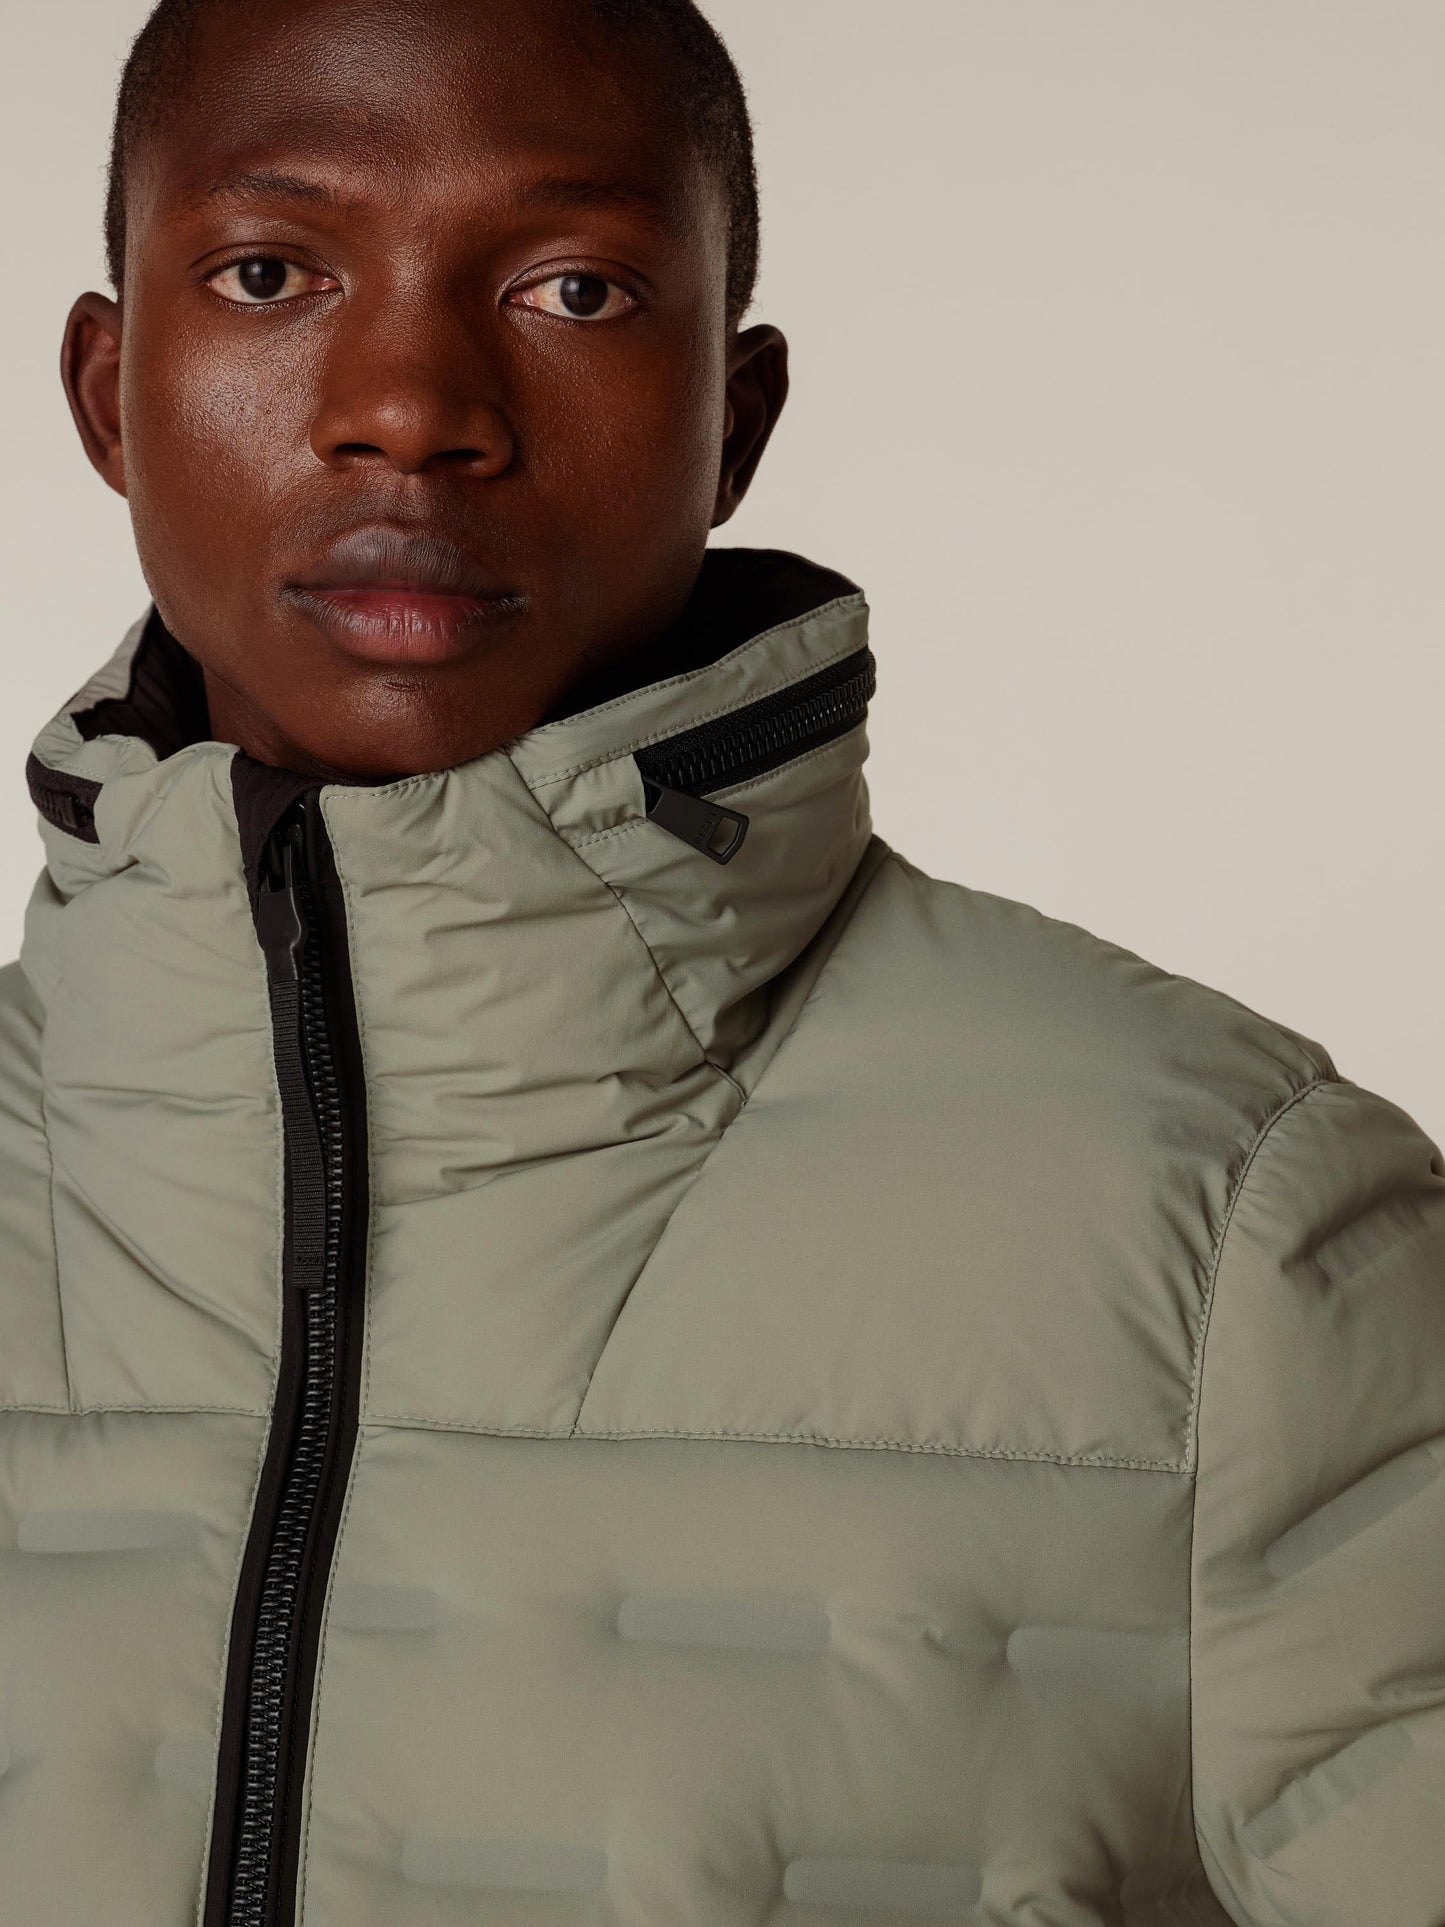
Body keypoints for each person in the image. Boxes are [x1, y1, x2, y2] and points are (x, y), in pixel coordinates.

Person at [2, 0, 1441, 1921]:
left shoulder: (1238, 1239)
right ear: (109, 392)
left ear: (734, 422)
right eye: (273, 272)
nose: (412, 405)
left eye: (575, 291)